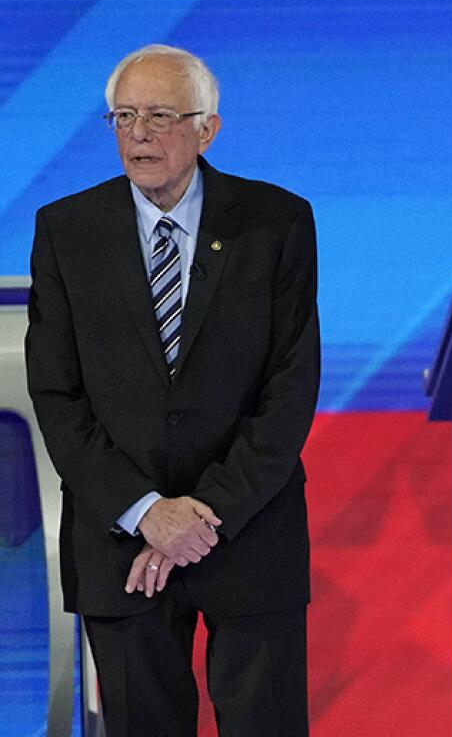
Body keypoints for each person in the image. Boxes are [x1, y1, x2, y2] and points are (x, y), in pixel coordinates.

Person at [25, 44, 320, 736]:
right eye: (124, 116)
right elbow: (57, 394)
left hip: (249, 534)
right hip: (121, 542)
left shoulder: (275, 221)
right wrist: (145, 511)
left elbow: (290, 383)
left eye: (159, 115)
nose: (139, 133)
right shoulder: (67, 231)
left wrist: (203, 513)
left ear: (207, 128)